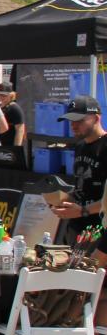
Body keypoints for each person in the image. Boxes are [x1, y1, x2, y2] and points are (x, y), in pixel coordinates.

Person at [52, 95, 107, 248]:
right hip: (77, 229)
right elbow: (81, 187)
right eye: (71, 120)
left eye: (79, 120)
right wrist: (62, 200)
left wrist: (83, 211)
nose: (74, 125)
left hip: (99, 230)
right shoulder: (80, 146)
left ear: (96, 118)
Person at [0, 81, 26, 148]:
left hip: (10, 145)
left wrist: (16, 148)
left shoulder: (15, 108)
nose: (1, 97)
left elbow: (20, 130)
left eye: (4, 95)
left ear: (11, 95)